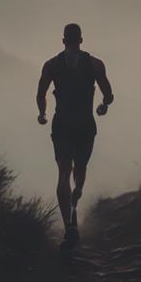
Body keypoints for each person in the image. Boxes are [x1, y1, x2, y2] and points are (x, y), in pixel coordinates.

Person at [36, 23, 114, 249]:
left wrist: (42, 114)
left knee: (63, 172)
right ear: (81, 40)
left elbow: (41, 93)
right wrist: (103, 106)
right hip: (85, 125)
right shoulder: (95, 64)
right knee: (79, 170)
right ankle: (76, 200)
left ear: (63, 41)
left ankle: (69, 225)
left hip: (61, 124)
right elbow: (108, 94)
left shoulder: (51, 65)